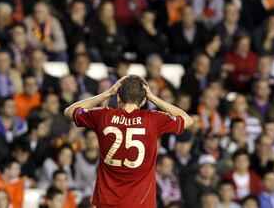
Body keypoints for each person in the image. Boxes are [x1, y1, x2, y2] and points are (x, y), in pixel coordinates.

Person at [64, 75, 193, 207]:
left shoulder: (103, 116)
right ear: (143, 101)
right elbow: (187, 120)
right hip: (140, 202)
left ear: (118, 97)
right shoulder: (153, 119)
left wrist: (108, 93)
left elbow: (69, 112)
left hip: (107, 201)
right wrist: (153, 97)